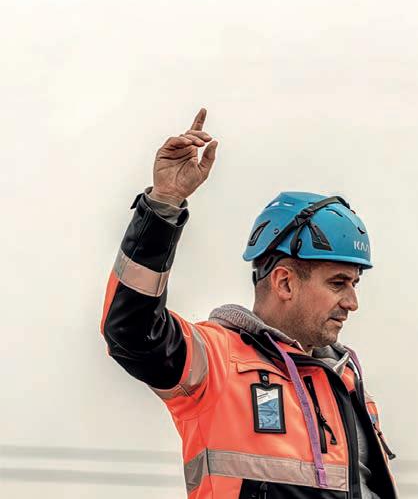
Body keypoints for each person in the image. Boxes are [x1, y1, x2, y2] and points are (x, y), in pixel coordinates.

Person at [100, 108, 397, 499]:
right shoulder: (216, 361)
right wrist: (164, 204)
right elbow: (132, 331)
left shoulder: (347, 382)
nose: (352, 302)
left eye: (355, 283)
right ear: (285, 282)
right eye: (338, 283)